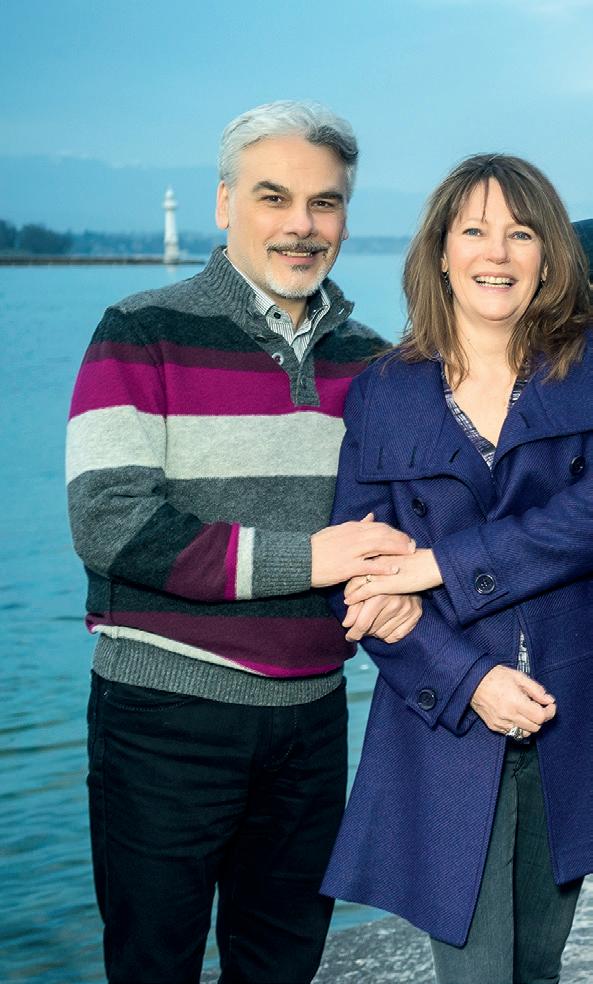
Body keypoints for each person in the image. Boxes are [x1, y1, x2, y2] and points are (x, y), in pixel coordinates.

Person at [66, 100, 420, 984]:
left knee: (281, 966)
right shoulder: (141, 328)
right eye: (273, 197)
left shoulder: (373, 363)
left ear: (345, 217)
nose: (301, 225)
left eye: (324, 202)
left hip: (311, 720)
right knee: (154, 966)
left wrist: (398, 584)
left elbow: (401, 526)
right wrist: (314, 560)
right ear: (224, 203)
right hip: (164, 716)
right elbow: (110, 523)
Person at [321, 153, 593, 984]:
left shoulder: (585, 368)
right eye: (474, 231)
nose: (496, 253)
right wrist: (471, 680)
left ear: (548, 255)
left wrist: (435, 565)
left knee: (538, 966)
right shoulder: (383, 391)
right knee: (474, 973)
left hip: (572, 709)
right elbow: (360, 578)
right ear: (440, 251)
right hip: (444, 719)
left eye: (520, 233)